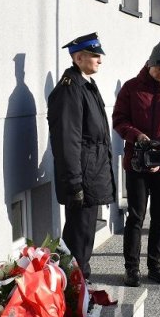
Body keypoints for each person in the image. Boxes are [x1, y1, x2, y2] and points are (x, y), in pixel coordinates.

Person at [113, 41, 160, 287]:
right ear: (149, 64)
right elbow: (119, 120)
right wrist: (137, 136)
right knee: (135, 216)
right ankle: (131, 268)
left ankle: (154, 265)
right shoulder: (131, 87)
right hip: (136, 160)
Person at [47, 33, 115, 280]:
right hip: (83, 177)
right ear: (78, 57)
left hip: (92, 172)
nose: (100, 60)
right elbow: (68, 140)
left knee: (85, 237)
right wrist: (74, 182)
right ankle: (74, 292)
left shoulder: (85, 83)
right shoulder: (70, 89)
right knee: (78, 240)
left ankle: (79, 288)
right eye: (95, 55)